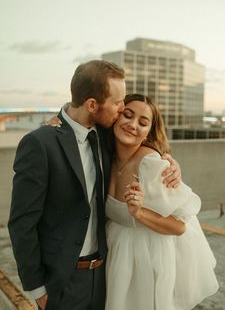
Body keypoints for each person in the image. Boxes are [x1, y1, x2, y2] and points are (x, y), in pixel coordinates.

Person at [8, 60, 181, 310]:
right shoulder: (40, 144)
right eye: (118, 102)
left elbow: (138, 146)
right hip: (62, 282)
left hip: (105, 275)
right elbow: (22, 222)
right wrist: (36, 287)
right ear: (92, 104)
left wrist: (169, 161)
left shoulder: (105, 135)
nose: (122, 110)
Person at [105, 93, 219, 310]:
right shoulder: (105, 156)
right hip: (117, 255)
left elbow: (179, 226)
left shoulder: (151, 164)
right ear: (116, 117)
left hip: (147, 263)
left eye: (143, 122)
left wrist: (139, 213)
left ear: (149, 131)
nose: (132, 125)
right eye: (127, 115)